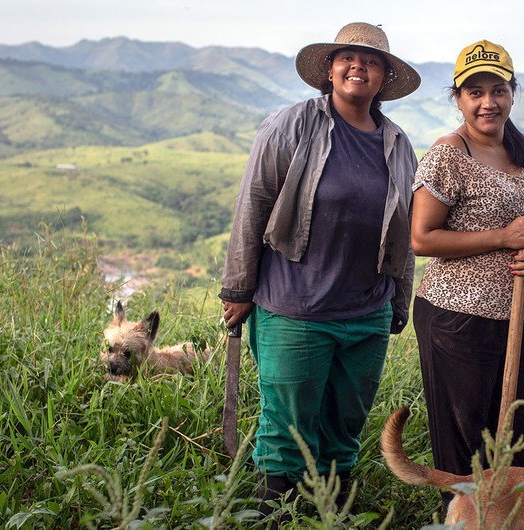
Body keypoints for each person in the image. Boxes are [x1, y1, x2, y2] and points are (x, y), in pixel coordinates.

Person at [218, 22, 420, 519]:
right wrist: (239, 287)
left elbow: (403, 231)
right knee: (288, 423)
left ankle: (333, 511)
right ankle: (276, 512)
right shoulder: (292, 125)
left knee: (345, 423)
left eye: (371, 61)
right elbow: (254, 204)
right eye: (348, 57)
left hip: (367, 311)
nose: (359, 67)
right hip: (294, 305)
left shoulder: (397, 143)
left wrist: (400, 299)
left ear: (384, 77)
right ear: (329, 70)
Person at [410, 40, 524, 508]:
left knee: (519, 433)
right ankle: (460, 519)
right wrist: (501, 236)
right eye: (474, 91)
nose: (487, 102)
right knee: (465, 445)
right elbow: (421, 239)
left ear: (513, 93)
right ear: (457, 98)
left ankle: (503, 518)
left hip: (523, 318)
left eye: (498, 90)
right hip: (458, 319)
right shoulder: (448, 155)